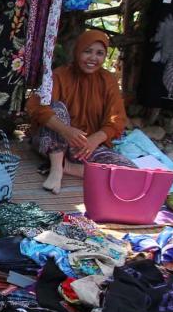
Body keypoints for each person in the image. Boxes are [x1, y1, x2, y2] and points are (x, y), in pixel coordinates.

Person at [25, 29, 135, 194]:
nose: (93, 58)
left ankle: (66, 167)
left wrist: (93, 140)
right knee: (57, 108)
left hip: (85, 146)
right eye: (87, 51)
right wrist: (66, 131)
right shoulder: (60, 75)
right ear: (78, 51)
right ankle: (56, 169)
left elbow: (117, 119)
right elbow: (35, 105)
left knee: (130, 172)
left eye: (99, 53)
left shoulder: (108, 80)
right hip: (52, 142)